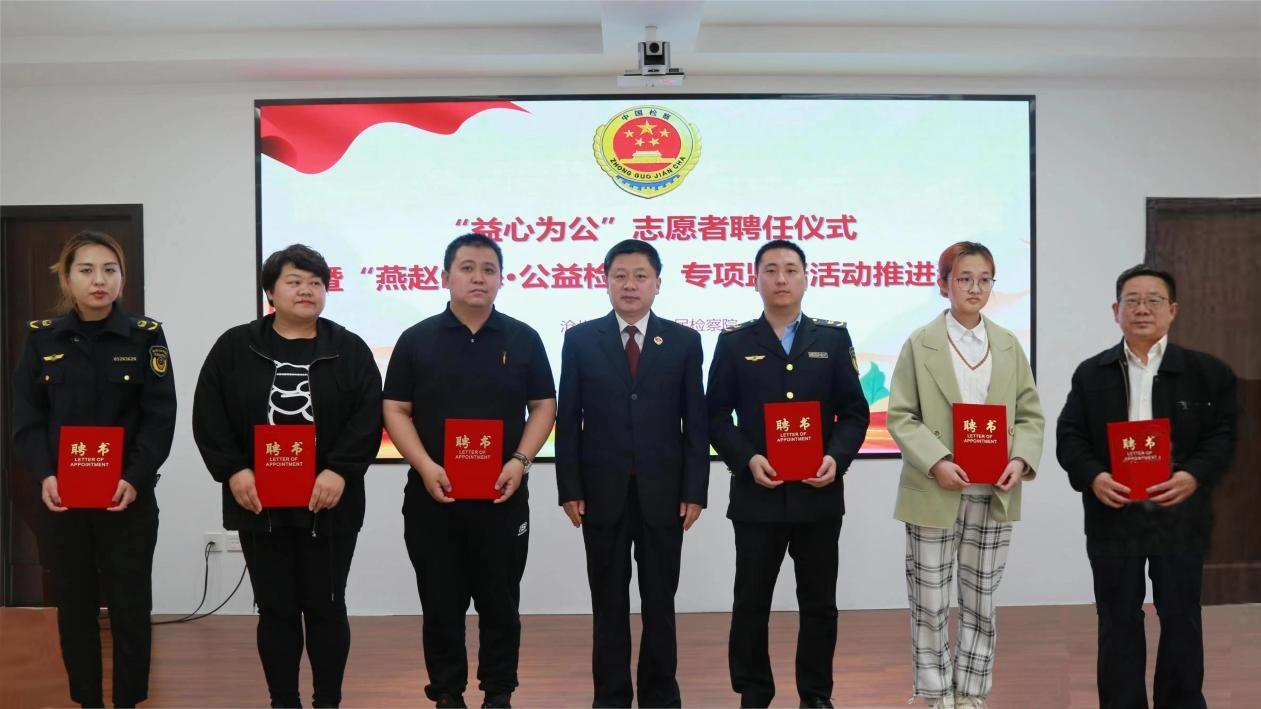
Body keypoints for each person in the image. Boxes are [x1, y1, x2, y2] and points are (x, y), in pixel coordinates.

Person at [192, 244, 382, 708]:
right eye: (294, 281)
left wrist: (339, 471)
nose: (306, 290)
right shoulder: (235, 347)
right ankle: (284, 701)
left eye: (316, 283)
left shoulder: (349, 348)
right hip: (259, 501)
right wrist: (233, 471)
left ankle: (327, 701)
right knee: (275, 609)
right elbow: (209, 414)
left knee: (326, 606)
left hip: (329, 503)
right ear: (271, 292)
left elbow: (368, 416)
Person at [382, 232, 556, 709]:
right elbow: (395, 408)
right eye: (467, 268)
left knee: (501, 602)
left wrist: (520, 461)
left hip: (503, 496)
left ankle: (499, 692)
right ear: (445, 277)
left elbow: (544, 405)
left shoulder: (523, 338)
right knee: (441, 603)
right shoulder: (417, 339)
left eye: (488, 269)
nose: (478, 277)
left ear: (501, 279)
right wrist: (424, 465)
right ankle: (446, 692)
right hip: (433, 496)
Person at [1057, 265, 1237, 709]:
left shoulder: (1206, 372)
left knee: (1181, 616)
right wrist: (1094, 476)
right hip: (1113, 513)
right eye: (1132, 301)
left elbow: (1224, 435)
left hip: (1179, 513)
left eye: (1154, 300)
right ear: (1115, 310)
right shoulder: (1091, 374)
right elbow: (1070, 436)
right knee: (1117, 618)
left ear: (1172, 310)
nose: (1142, 309)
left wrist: (1193, 475)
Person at [11, 230, 176, 708]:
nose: (99, 280)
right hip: (63, 500)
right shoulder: (42, 337)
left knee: (130, 606)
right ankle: (87, 699)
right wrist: (46, 474)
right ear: (67, 278)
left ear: (122, 278)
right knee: (74, 606)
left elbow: (159, 416)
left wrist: (135, 478)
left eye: (109, 270)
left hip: (127, 497)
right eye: (86, 270)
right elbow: (27, 418)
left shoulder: (145, 336)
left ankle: (128, 700)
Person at [706, 239, 870, 709]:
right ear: (755, 279)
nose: (781, 278)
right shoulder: (735, 342)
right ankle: (754, 692)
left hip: (818, 496)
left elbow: (854, 412)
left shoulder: (832, 339)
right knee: (751, 602)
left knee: (819, 604)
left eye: (791, 269)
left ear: (806, 278)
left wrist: (836, 458)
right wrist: (747, 459)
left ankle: (815, 694)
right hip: (757, 496)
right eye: (771, 269)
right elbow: (714, 416)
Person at [886, 241, 1044, 709]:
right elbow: (901, 415)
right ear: (943, 284)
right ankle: (936, 693)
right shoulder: (920, 343)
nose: (975, 288)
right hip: (934, 487)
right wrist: (936, 460)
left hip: (994, 490)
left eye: (984, 280)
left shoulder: (1008, 345)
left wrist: (1019, 460)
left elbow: (1029, 415)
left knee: (981, 599)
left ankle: (972, 693)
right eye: (964, 279)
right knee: (930, 600)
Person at [555, 239, 709, 708]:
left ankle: (661, 696)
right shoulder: (581, 340)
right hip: (600, 494)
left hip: (665, 494)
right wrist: (569, 487)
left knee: (660, 602)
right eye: (620, 275)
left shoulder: (684, 342)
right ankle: (611, 697)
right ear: (605, 281)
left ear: (658, 284)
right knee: (608, 603)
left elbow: (695, 423)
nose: (630, 284)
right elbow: (568, 419)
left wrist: (695, 490)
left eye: (641, 276)